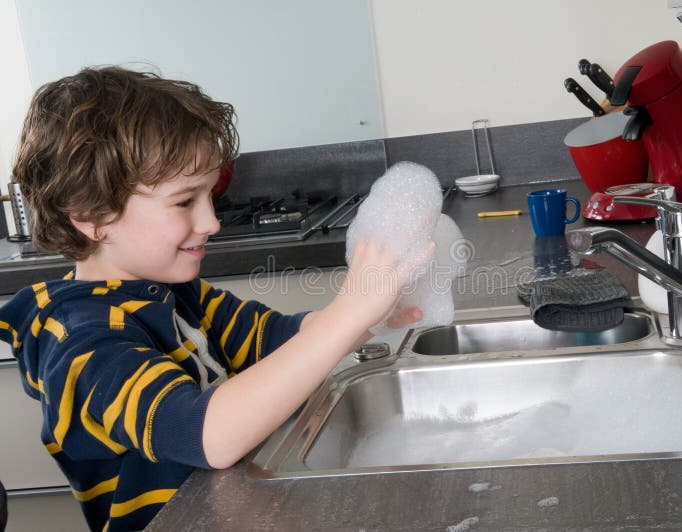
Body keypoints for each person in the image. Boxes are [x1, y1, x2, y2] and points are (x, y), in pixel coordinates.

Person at [0, 67, 429, 531]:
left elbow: (277, 339)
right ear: (93, 218)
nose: (211, 221)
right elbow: (206, 434)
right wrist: (346, 314)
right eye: (185, 202)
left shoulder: (176, 292)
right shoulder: (77, 338)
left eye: (211, 195)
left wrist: (368, 317)